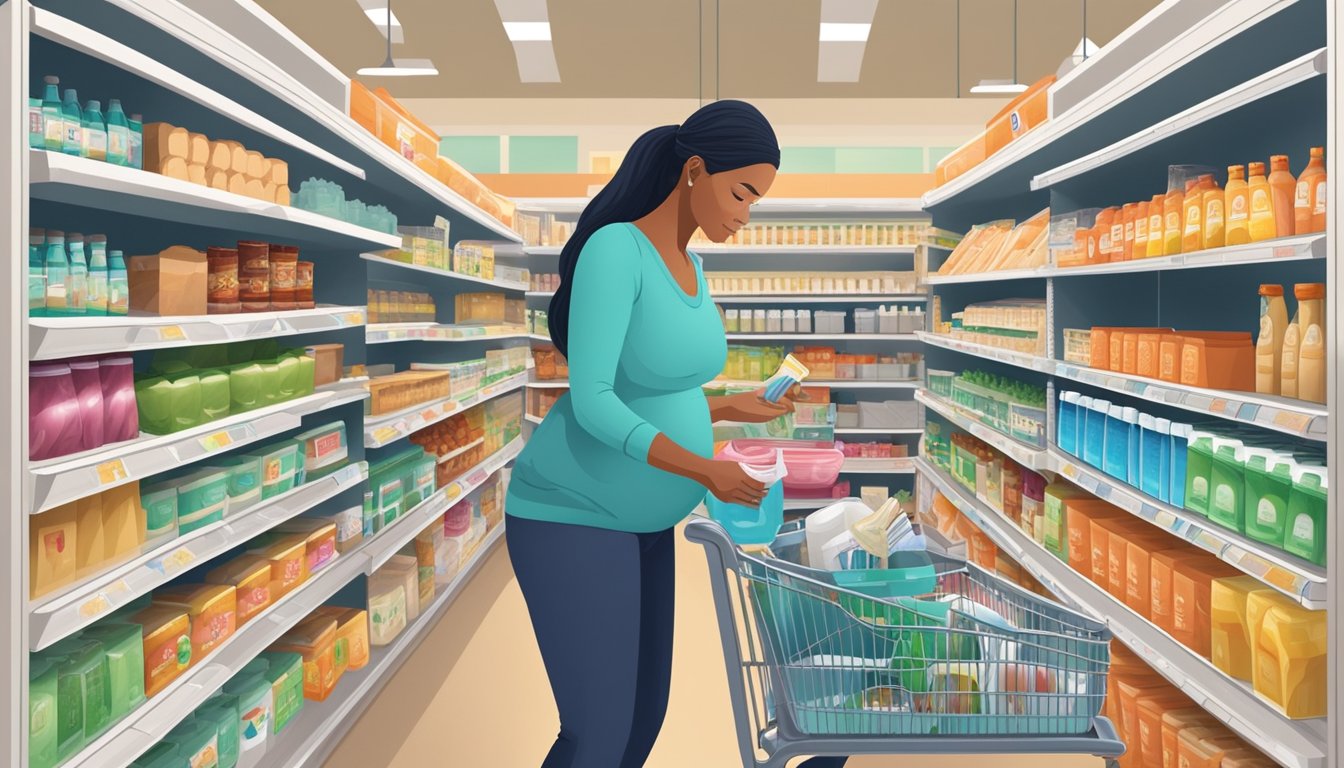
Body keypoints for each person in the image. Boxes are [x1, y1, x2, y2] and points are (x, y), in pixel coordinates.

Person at [505, 100, 846, 768]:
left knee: (641, 721)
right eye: (742, 192)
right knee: (596, 731)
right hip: (572, 515)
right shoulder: (616, 251)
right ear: (695, 170)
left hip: (643, 523)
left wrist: (731, 408)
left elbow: (659, 389)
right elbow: (596, 400)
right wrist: (703, 469)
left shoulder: (691, 264)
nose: (746, 214)